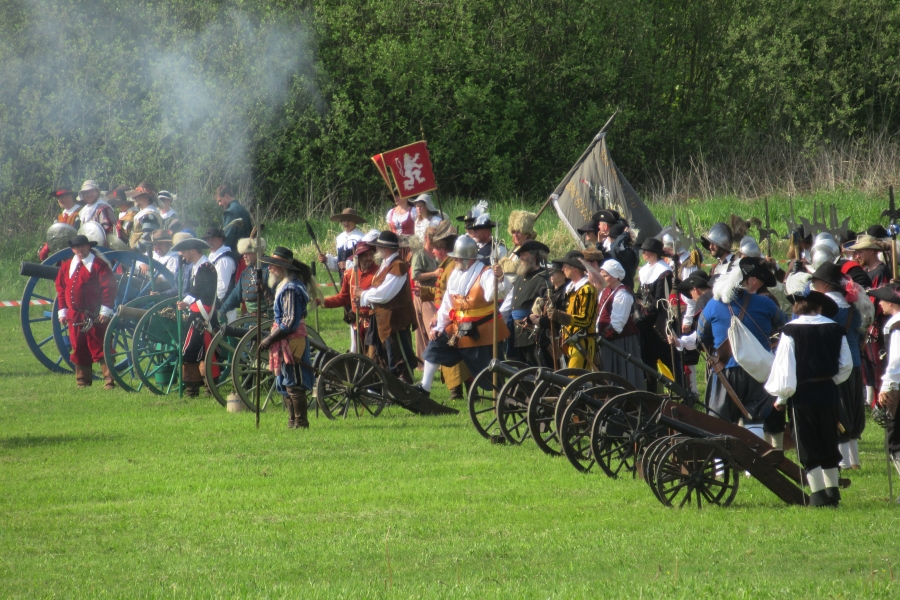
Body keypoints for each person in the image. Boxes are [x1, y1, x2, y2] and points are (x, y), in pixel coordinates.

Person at [765, 281, 851, 507]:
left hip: (802, 393)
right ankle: (833, 491)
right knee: (828, 437)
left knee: (807, 441)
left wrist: (782, 398)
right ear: (819, 308)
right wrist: (830, 381)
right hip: (828, 391)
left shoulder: (790, 331)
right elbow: (846, 365)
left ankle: (818, 494)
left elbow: (785, 368)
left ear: (797, 307)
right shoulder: (836, 328)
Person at [698, 257, 786, 438]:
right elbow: (784, 324)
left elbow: (701, 335)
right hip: (758, 370)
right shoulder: (766, 303)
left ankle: (724, 458)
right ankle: (753, 457)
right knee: (755, 421)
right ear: (750, 280)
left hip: (725, 370)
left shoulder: (713, 305)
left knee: (720, 424)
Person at [418, 236, 511, 394]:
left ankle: (505, 395)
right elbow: (448, 304)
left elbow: (494, 294)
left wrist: (500, 278)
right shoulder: (455, 274)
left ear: (468, 259)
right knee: (435, 345)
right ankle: (424, 388)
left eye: (458, 258)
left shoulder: (485, 273)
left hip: (481, 332)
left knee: (489, 375)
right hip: (457, 329)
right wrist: (439, 326)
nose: (455, 260)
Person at [810, 261, 869, 470]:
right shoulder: (852, 307)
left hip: (835, 365)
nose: (814, 286)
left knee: (840, 410)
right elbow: (861, 334)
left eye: (816, 282)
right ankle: (854, 460)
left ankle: (843, 461)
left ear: (825, 284)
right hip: (855, 363)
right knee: (853, 410)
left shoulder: (826, 309)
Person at [258, 247, 315, 429]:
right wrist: (264, 291)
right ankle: (292, 422)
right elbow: (279, 312)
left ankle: (301, 423)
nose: (269, 268)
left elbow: (289, 322)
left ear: (283, 267)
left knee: (294, 383)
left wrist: (269, 339)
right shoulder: (284, 285)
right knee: (284, 383)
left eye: (273, 265)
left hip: (292, 341)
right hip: (284, 340)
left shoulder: (291, 288)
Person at [55, 235, 116, 389]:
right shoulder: (66, 266)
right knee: (78, 347)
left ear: (89, 247)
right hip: (74, 315)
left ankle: (109, 381)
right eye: (77, 247)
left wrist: (105, 311)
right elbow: (61, 289)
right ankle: (82, 381)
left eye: (82, 246)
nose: (80, 249)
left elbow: (108, 288)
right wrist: (63, 311)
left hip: (94, 314)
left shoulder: (99, 265)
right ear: (72, 249)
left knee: (100, 346)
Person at [356, 231, 418, 382]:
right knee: (386, 358)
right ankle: (390, 388)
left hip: (395, 321)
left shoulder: (398, 266)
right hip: (383, 319)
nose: (377, 249)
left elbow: (384, 294)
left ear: (386, 248)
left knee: (399, 358)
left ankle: (406, 388)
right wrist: (364, 297)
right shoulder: (386, 264)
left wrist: (363, 294)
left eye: (379, 246)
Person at [418, 227, 470, 399]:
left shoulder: (452, 267)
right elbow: (443, 294)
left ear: (442, 249)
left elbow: (453, 297)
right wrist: (425, 291)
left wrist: (440, 319)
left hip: (455, 318)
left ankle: (455, 391)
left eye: (435, 247)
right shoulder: (447, 266)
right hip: (446, 316)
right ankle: (457, 391)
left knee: (445, 350)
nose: (433, 251)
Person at [172, 236, 218, 398]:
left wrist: (185, 301)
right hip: (198, 312)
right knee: (194, 350)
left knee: (197, 350)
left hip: (203, 314)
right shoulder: (197, 266)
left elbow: (199, 289)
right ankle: (194, 388)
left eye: (184, 252)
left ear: (193, 251)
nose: (182, 255)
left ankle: (203, 388)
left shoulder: (206, 267)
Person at [318, 241, 378, 353]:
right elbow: (343, 298)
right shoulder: (350, 274)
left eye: (371, 254)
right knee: (359, 357)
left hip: (374, 325)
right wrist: (322, 301)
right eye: (365, 255)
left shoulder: (378, 273)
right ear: (358, 257)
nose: (369, 258)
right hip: (357, 324)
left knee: (373, 358)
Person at [869, 283, 900, 490]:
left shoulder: (896, 325)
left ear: (891, 302)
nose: (880, 303)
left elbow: (896, 361)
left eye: (882, 299)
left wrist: (888, 386)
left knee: (896, 439)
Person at [596, 259, 644, 390]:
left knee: (622, 373)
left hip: (620, 341)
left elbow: (617, 324)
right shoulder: (606, 291)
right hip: (607, 341)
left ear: (615, 276)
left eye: (605, 275)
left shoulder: (622, 294)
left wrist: (602, 338)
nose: (603, 278)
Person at [635, 237, 676, 388]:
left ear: (653, 253)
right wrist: (638, 311)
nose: (643, 254)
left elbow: (659, 300)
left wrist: (644, 317)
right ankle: (651, 393)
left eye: (645, 251)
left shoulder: (664, 272)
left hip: (659, 321)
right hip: (645, 322)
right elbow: (639, 295)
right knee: (647, 361)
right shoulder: (645, 270)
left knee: (669, 359)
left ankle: (683, 390)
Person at [501, 240, 550, 366]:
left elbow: (547, 304)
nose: (520, 258)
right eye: (520, 255)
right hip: (516, 329)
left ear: (534, 256)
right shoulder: (520, 276)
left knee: (535, 367)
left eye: (523, 254)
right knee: (520, 367)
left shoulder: (543, 278)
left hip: (532, 331)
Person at [547, 251, 597, 369]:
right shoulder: (571, 289)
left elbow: (585, 320)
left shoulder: (586, 289)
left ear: (574, 268)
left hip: (582, 342)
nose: (562, 269)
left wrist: (559, 315)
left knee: (574, 377)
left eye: (565, 266)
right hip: (570, 341)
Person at [667, 272, 713, 395]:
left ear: (696, 290)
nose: (692, 298)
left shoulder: (706, 304)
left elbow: (701, 335)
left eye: (691, 294)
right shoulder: (711, 301)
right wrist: (679, 342)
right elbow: (699, 334)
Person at [221, 232, 272, 318]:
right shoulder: (246, 272)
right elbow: (235, 295)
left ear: (258, 253)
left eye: (248, 253)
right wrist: (222, 310)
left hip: (266, 320)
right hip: (249, 320)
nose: (244, 256)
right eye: (243, 253)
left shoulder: (269, 270)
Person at [531, 259, 570, 369]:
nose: (551, 274)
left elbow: (562, 316)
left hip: (558, 338)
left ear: (563, 274)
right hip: (545, 338)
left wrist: (540, 321)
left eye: (554, 271)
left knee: (560, 370)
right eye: (550, 271)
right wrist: (533, 317)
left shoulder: (566, 292)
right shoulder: (548, 292)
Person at [411, 226, 440, 363]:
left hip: (435, 292)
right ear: (426, 238)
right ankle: (424, 362)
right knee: (425, 328)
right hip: (422, 293)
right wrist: (434, 274)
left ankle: (434, 360)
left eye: (436, 237)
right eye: (431, 237)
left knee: (433, 326)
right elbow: (415, 275)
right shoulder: (420, 255)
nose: (434, 240)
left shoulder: (437, 254)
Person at [201, 227, 238, 323]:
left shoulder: (224, 259)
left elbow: (221, 287)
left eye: (212, 239)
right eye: (207, 239)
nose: (209, 242)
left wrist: (211, 304)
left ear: (220, 239)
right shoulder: (213, 255)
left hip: (223, 305)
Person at [317, 208, 366, 280]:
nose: (346, 223)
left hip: (358, 280)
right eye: (344, 220)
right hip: (343, 280)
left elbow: (365, 262)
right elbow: (339, 262)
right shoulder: (340, 238)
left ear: (355, 221)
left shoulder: (361, 238)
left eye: (349, 220)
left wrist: (347, 265)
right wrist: (327, 260)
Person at [39, 188, 82, 261]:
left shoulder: (80, 213)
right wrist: (47, 247)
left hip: (76, 254)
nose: (60, 200)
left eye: (63, 197)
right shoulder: (60, 217)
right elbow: (55, 235)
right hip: (61, 255)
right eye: (58, 198)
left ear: (71, 196)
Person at [215, 185, 253, 252]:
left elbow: (228, 238)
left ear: (226, 196)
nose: (219, 204)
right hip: (247, 250)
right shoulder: (244, 209)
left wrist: (221, 251)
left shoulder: (230, 212)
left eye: (220, 200)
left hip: (235, 253)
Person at [125, 182, 160, 249]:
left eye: (137, 196)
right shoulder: (145, 213)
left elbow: (147, 238)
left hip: (144, 254)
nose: (134, 198)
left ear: (146, 198)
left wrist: (136, 251)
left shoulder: (149, 214)